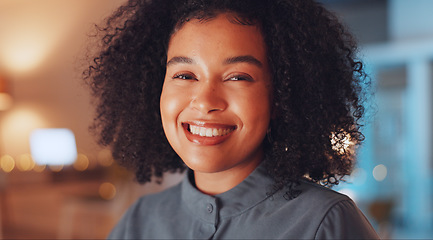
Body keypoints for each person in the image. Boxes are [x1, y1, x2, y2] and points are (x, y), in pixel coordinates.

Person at [84, 0, 379, 239]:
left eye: (238, 77)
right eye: (185, 75)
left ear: (281, 97)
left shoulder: (324, 223)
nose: (205, 101)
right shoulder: (140, 220)